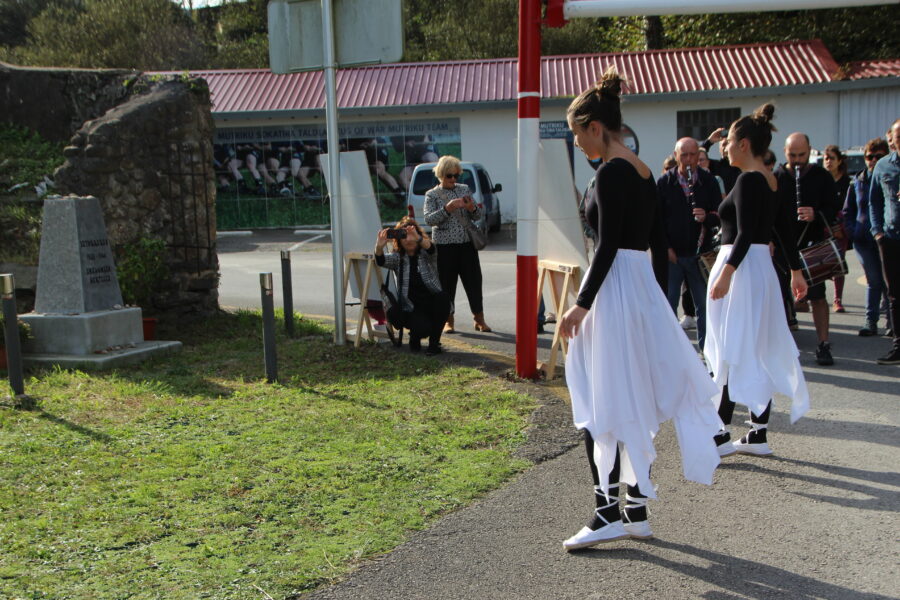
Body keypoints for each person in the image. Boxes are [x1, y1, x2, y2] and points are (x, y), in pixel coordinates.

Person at [558, 67, 721, 551]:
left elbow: (607, 244)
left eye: (576, 135)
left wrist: (581, 306)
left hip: (612, 290)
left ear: (594, 127)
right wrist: (653, 301)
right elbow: (657, 242)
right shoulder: (646, 170)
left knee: (600, 397)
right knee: (629, 396)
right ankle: (635, 509)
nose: (578, 145)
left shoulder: (610, 171)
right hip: (639, 289)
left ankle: (607, 512)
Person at [705, 104, 810, 458]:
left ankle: (719, 435)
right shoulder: (771, 178)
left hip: (742, 267)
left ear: (745, 144)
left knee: (729, 348)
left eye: (730, 141)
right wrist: (795, 270)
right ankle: (757, 433)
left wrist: (726, 274)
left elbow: (748, 232)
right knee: (755, 347)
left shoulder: (749, 179)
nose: (725, 147)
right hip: (760, 269)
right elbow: (784, 230)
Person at [774, 132, 839, 365]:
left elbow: (834, 209)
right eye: (792, 155)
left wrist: (817, 214)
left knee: (817, 296)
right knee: (779, 297)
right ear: (785, 152)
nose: (797, 160)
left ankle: (823, 343)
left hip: (811, 246)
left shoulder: (821, 176)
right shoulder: (777, 176)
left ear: (809, 151)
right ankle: (784, 346)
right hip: (783, 246)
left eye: (802, 155)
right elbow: (768, 214)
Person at [658, 137, 722, 350]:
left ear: (698, 156)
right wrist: (665, 247)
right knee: (669, 305)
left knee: (704, 306)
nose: (687, 159)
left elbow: (720, 214)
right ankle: (670, 350)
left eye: (692, 154)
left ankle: (706, 351)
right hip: (672, 255)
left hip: (699, 254)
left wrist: (708, 217)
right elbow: (656, 220)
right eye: (683, 154)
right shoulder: (665, 182)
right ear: (676, 156)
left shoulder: (709, 181)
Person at [423, 155, 492, 333]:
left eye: (456, 175)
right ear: (440, 175)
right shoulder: (432, 194)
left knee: (474, 282)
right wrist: (448, 208)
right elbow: (429, 220)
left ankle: (479, 319)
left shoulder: (464, 189)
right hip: (445, 247)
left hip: (467, 244)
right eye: (449, 176)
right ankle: (448, 320)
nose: (453, 180)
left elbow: (477, 216)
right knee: (447, 284)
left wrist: (472, 208)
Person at [374, 217, 450, 356]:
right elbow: (381, 261)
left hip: (432, 303)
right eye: (404, 236)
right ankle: (415, 335)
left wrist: (418, 238)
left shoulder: (426, 254)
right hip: (412, 307)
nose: (408, 240)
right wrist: (379, 246)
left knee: (444, 298)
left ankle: (434, 344)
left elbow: (431, 248)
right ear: (398, 240)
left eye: (411, 235)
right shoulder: (398, 258)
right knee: (422, 328)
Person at [844, 138, 891, 336]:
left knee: (889, 281)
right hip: (863, 239)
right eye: (869, 157)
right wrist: (853, 230)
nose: (872, 160)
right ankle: (871, 321)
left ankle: (891, 322)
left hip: (885, 237)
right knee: (874, 280)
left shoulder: (887, 176)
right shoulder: (858, 180)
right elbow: (848, 210)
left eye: (877, 156)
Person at [869, 119, 900, 365]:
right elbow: (874, 201)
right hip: (890, 238)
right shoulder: (882, 166)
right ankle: (898, 345)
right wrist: (877, 231)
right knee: (894, 294)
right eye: (897, 136)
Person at [822, 144, 851, 313]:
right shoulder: (822, 180)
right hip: (823, 227)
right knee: (819, 263)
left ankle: (837, 299)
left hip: (841, 229)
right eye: (826, 158)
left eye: (832, 158)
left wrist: (842, 228)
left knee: (838, 263)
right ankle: (806, 297)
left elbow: (849, 209)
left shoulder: (847, 183)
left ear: (839, 161)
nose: (828, 162)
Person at [701, 128, 742, 194]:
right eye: (723, 144)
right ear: (719, 149)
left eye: (728, 144)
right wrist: (709, 142)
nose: (726, 148)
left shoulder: (743, 165)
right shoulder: (715, 166)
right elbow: (695, 158)